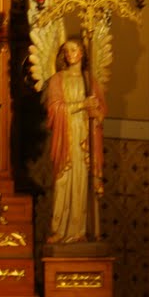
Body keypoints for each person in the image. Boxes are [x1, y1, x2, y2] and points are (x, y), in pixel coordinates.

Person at [45, 38, 102, 244]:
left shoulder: (90, 81)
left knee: (81, 183)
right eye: (67, 50)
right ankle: (59, 229)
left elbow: (100, 112)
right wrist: (81, 104)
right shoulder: (57, 80)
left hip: (84, 138)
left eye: (74, 49)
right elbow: (54, 110)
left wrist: (95, 112)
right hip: (65, 136)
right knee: (63, 181)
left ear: (82, 53)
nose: (70, 54)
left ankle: (79, 231)